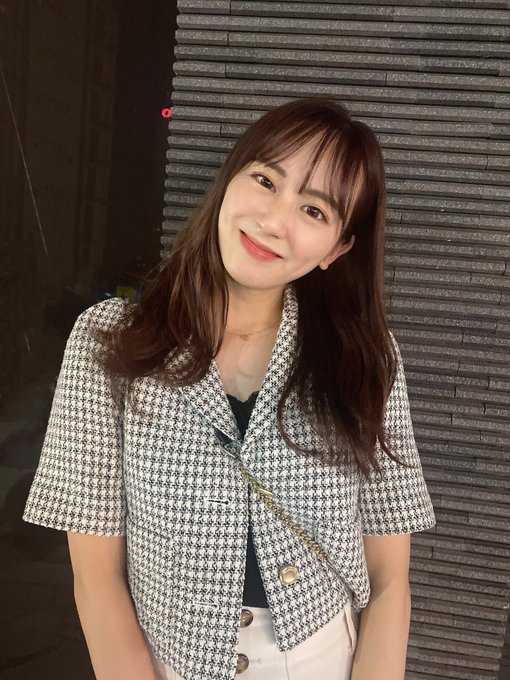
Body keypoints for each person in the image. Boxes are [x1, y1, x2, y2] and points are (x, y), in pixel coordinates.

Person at [23, 97, 436, 680]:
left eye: (314, 211)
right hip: (168, 661)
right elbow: (95, 575)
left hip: (322, 658)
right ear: (229, 180)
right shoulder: (109, 341)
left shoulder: (364, 356)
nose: (273, 220)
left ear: (338, 249)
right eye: (265, 180)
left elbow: (390, 578)